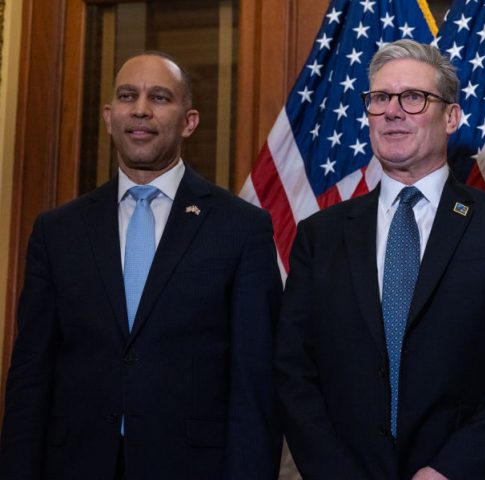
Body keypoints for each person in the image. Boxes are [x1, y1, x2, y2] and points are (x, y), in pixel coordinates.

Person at [275, 39, 485, 480]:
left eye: (413, 97)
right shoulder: (319, 236)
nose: (392, 111)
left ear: (451, 116)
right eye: (380, 98)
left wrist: (451, 470)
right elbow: (292, 370)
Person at [0, 52, 282, 479]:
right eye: (128, 96)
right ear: (110, 117)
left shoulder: (241, 228)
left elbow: (255, 383)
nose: (141, 109)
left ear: (189, 121)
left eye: (160, 97)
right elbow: (30, 379)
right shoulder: (57, 232)